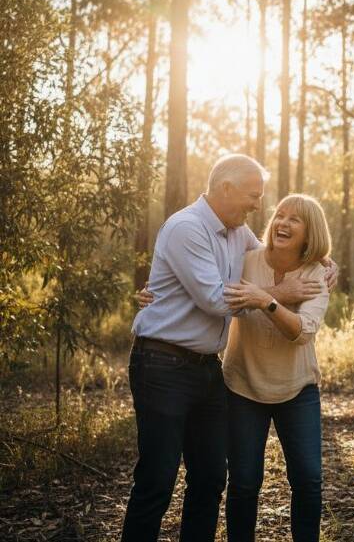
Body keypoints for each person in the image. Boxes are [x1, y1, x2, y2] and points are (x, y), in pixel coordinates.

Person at [122, 155, 328, 542]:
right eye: (253, 196)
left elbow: (273, 252)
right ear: (227, 189)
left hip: (207, 369)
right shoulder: (186, 227)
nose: (258, 205)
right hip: (163, 364)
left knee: (210, 478)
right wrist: (279, 294)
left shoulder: (237, 231)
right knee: (157, 479)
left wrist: (321, 260)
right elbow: (216, 300)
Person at [220, 194, 332, 542]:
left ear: (310, 232)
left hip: (297, 389)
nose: (282, 223)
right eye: (280, 215)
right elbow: (210, 289)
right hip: (242, 386)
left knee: (308, 479)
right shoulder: (245, 261)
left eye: (294, 219)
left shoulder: (316, 274)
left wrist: (266, 300)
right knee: (243, 481)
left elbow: (303, 333)